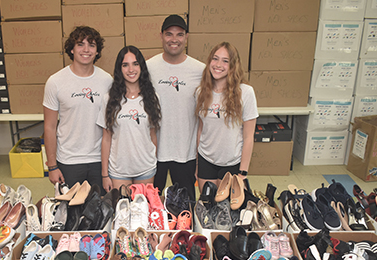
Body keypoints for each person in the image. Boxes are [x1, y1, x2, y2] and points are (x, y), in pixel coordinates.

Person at [43, 26, 113, 189]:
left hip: (99, 160)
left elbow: (110, 125)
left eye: (92, 45)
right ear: (72, 49)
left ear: (97, 51)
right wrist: (52, 166)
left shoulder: (107, 80)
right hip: (68, 160)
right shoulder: (55, 82)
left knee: (100, 210)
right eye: (80, 44)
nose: (86, 50)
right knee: (70, 211)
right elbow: (49, 126)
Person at [147, 15, 205, 202]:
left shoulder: (200, 70)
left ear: (186, 37)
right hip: (154, 151)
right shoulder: (148, 67)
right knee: (151, 206)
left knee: (186, 208)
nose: (174, 39)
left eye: (179, 34)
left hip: (185, 151)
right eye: (169, 34)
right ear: (161, 36)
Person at [195, 42, 258, 192]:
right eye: (215, 59)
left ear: (233, 65)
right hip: (206, 159)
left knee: (228, 211)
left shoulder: (246, 93)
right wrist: (197, 164)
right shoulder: (201, 92)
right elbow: (201, 129)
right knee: (207, 206)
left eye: (225, 61)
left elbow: (249, 137)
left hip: (232, 163)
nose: (218, 65)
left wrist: (243, 172)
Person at [98, 46, 161, 192]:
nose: (130, 69)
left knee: (143, 211)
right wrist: (104, 174)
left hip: (146, 169)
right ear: (119, 69)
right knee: (122, 212)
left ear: (141, 67)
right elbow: (106, 138)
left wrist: (152, 162)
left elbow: (152, 135)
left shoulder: (152, 97)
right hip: (119, 170)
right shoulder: (109, 99)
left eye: (135, 64)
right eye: (125, 65)